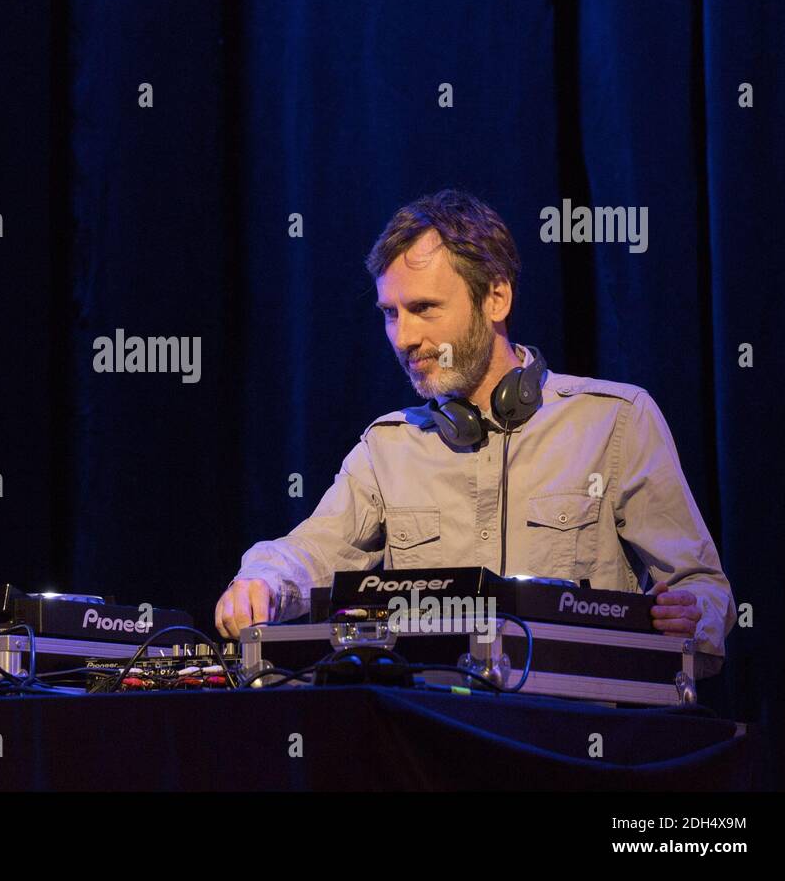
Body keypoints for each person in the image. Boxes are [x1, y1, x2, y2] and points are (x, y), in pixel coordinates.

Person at [214, 189, 736, 663]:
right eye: (391, 313)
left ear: (496, 298)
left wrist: (694, 616)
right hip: (434, 739)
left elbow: (704, 588)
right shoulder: (387, 447)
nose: (403, 337)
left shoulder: (616, 421)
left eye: (423, 308)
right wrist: (261, 580)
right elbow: (311, 549)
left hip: (574, 745)